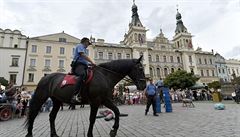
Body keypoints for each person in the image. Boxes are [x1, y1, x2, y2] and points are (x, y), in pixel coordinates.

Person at [71, 37, 96, 103]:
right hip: (78, 65)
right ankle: (75, 95)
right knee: (82, 74)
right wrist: (91, 62)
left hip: (83, 66)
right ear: (85, 42)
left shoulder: (83, 48)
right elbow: (82, 55)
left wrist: (90, 65)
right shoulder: (80, 46)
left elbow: (84, 61)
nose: (88, 45)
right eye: (88, 43)